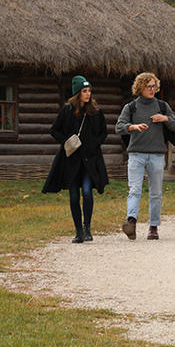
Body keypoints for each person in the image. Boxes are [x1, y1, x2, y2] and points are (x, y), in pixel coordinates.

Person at [43, 76, 110, 243]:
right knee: (73, 196)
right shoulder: (67, 111)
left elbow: (103, 132)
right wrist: (68, 141)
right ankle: (78, 231)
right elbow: (54, 130)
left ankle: (87, 228)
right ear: (77, 93)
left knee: (87, 192)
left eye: (89, 91)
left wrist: (94, 144)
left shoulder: (95, 111)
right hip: (71, 161)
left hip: (89, 160)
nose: (88, 94)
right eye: (84, 91)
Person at [115, 72, 175, 240]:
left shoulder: (162, 105)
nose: (152, 90)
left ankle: (153, 227)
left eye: (154, 86)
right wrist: (133, 127)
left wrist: (164, 118)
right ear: (140, 88)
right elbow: (119, 126)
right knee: (135, 190)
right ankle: (131, 222)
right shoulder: (131, 107)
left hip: (157, 155)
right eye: (148, 86)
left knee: (156, 192)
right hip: (136, 154)